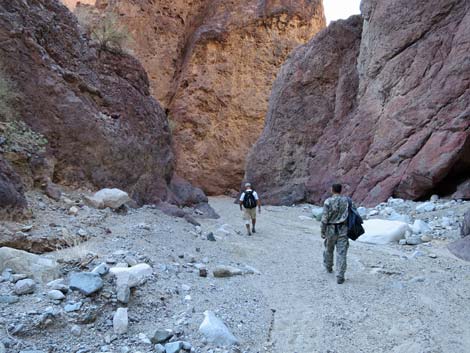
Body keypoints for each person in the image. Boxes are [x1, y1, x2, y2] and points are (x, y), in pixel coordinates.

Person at [321, 183, 351, 284]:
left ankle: (328, 267)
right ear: (340, 190)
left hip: (330, 229)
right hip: (343, 229)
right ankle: (340, 275)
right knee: (341, 252)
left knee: (329, 249)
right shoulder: (347, 201)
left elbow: (324, 218)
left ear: (332, 190)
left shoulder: (328, 201)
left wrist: (322, 231)